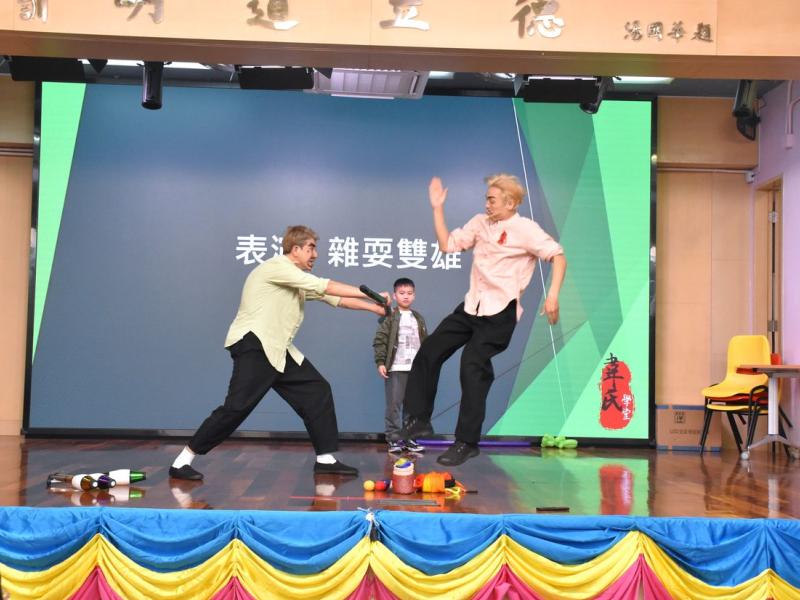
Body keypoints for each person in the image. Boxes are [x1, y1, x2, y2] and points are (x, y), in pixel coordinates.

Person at [169, 225, 389, 481]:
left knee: (317, 390)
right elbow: (326, 286)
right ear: (295, 249)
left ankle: (325, 459)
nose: (315, 254)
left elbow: (335, 299)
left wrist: (374, 308)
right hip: (256, 344)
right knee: (236, 408)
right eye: (311, 248)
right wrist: (371, 294)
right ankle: (182, 461)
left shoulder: (295, 279)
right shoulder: (276, 267)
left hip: (278, 349)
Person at [402, 175, 567, 466]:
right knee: (430, 350)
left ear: (510, 203)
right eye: (486, 198)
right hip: (471, 306)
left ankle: (467, 442)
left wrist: (552, 295)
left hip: (500, 312)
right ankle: (419, 420)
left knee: (472, 364)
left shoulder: (526, 229)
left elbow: (558, 256)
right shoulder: (479, 222)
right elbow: (447, 245)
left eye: (492, 199)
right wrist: (437, 208)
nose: (487, 204)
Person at [372, 277, 428, 454]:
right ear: (395, 296)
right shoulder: (390, 316)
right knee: (394, 406)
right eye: (402, 293)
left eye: (409, 293)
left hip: (416, 369)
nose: (406, 296)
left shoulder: (418, 317)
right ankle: (394, 440)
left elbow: (425, 342)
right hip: (396, 368)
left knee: (413, 407)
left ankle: (410, 439)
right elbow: (380, 340)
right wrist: (381, 362)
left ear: (414, 295)